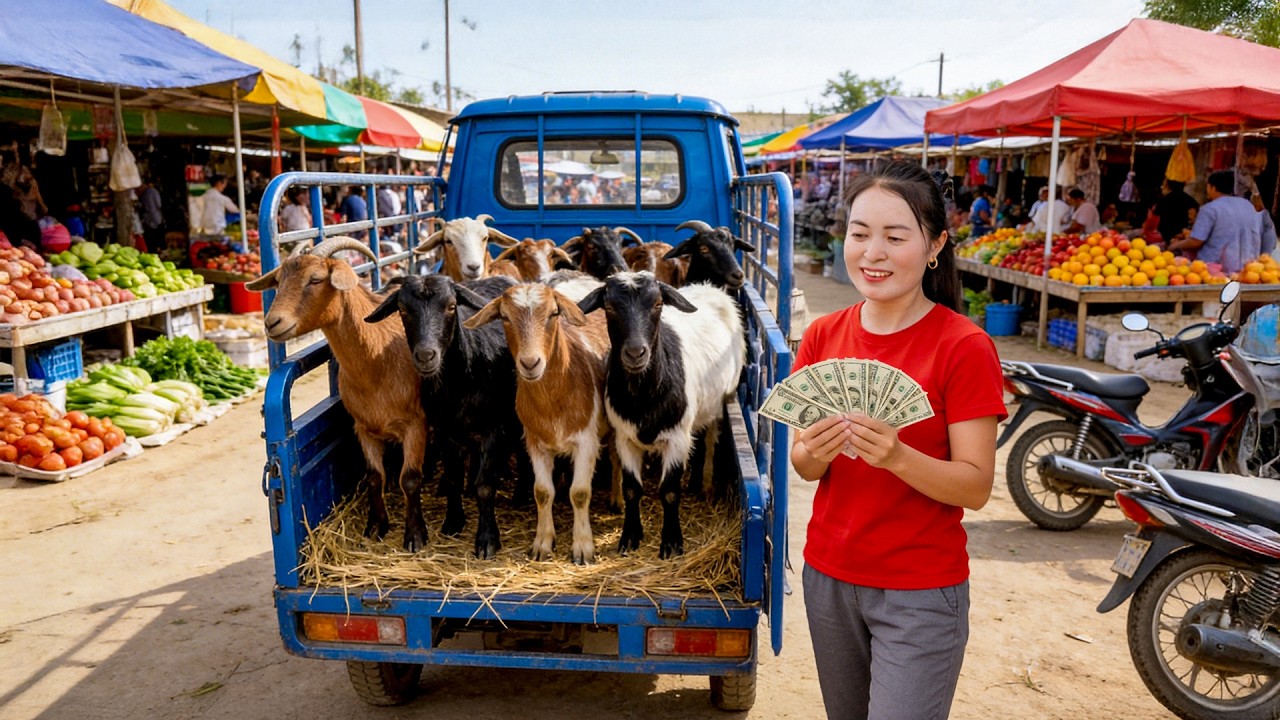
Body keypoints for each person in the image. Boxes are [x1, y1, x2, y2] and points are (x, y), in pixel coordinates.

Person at [791, 160, 1006, 720]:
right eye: (859, 234)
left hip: (918, 592)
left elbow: (976, 487)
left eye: (895, 236)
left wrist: (898, 456)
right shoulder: (822, 334)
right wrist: (813, 451)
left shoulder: (964, 346)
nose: (872, 252)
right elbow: (805, 467)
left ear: (935, 245)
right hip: (829, 577)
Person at [1170, 170, 1263, 274]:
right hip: (1249, 269)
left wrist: (1175, 246)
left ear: (1212, 187)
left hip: (1214, 270)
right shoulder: (1250, 207)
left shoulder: (1211, 208)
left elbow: (1196, 241)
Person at [1150, 179, 1199, 245]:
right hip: (1184, 238)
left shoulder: (1163, 201)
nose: (1162, 187)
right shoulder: (1191, 201)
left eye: (1164, 185)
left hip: (1167, 238)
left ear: (1168, 186)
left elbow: (1153, 223)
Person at [137, 177, 164, 251]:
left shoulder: (145, 193)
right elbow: (159, 204)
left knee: (151, 235)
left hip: (148, 218)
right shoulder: (154, 192)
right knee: (158, 234)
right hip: (156, 216)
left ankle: (154, 249)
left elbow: (143, 206)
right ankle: (159, 249)